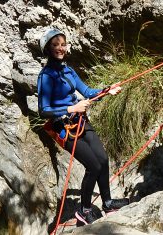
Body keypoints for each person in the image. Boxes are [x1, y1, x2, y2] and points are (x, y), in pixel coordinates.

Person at [37, 28, 129, 225]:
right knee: (93, 166)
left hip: (80, 122)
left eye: (63, 44)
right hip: (64, 128)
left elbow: (86, 91)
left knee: (103, 160)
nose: (60, 48)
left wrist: (106, 90)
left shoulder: (68, 70)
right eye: (55, 45)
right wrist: (72, 107)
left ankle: (108, 203)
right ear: (47, 49)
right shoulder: (46, 76)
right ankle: (84, 210)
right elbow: (43, 109)